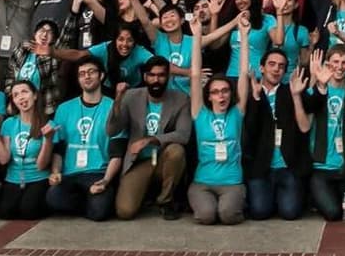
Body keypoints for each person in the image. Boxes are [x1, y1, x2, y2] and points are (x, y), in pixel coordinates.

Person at [185, 33, 256, 225]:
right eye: (215, 92)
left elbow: (243, 73)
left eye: (225, 91)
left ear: (230, 93)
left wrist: (244, 35)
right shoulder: (199, 112)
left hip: (232, 182)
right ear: (209, 96)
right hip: (203, 182)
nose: (221, 96)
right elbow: (195, 74)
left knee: (227, 215)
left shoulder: (237, 112)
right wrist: (197, 35)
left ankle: (235, 203)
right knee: (206, 216)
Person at [111, 57, 192, 220]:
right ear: (145, 77)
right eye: (152, 75)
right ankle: (146, 194)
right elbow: (112, 130)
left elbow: (183, 135)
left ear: (168, 77)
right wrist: (118, 101)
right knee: (125, 211)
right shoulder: (131, 96)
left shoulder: (181, 99)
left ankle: (165, 201)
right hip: (139, 161)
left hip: (163, 159)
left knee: (177, 150)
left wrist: (149, 140)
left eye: (161, 75)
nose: (156, 80)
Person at [46, 59, 123, 221]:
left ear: (101, 76)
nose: (86, 76)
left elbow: (117, 152)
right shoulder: (64, 108)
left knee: (99, 212)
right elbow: (59, 148)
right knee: (53, 197)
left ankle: (96, 201)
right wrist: (56, 172)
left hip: (98, 173)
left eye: (91, 72)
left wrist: (106, 181)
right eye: (82, 74)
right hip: (70, 174)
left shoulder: (113, 108)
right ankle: (89, 202)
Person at [304, 46, 345, 221]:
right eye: (335, 61)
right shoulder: (316, 88)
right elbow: (306, 124)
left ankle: (335, 192)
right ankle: (318, 195)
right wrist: (317, 82)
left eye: (344, 63)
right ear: (328, 63)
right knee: (333, 213)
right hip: (320, 167)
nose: (340, 67)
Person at [244, 50, 309, 220]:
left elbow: (304, 128)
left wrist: (296, 96)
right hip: (261, 167)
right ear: (262, 68)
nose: (276, 69)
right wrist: (256, 99)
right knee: (259, 212)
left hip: (287, 166)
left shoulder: (292, 91)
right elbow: (250, 131)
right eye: (271, 64)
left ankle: (279, 196)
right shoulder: (252, 92)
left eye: (281, 66)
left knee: (290, 213)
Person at [0, 79, 53, 219]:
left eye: (24, 92)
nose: (21, 97)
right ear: (14, 101)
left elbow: (41, 165)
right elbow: (3, 159)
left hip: (37, 177)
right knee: (5, 213)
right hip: (13, 178)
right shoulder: (9, 123)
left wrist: (47, 139)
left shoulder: (47, 124)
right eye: (16, 95)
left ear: (35, 95)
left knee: (29, 211)